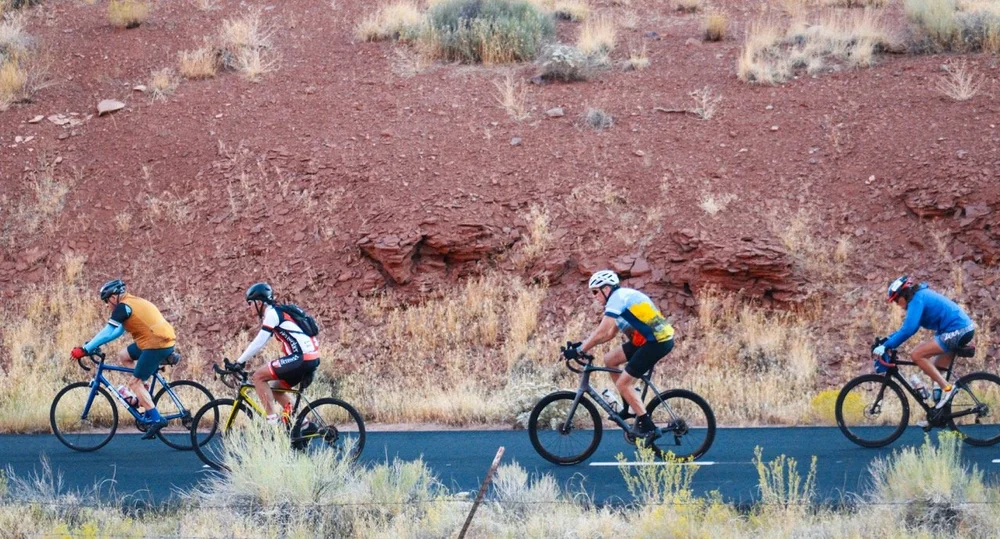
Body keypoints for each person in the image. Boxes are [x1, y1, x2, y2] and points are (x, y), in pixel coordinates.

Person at [562, 270, 675, 441]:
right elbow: (608, 334)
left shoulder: (617, 298)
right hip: (646, 340)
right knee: (610, 360)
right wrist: (582, 344)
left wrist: (580, 350)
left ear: (606, 289)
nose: (594, 296)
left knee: (623, 383)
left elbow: (601, 331)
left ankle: (649, 427)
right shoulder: (620, 300)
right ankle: (630, 405)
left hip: (657, 342)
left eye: (595, 291)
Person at [70, 279, 175, 439]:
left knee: (134, 383)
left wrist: (85, 349)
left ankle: (155, 418)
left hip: (155, 344)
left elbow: (107, 331)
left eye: (106, 301)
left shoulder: (122, 307)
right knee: (124, 355)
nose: (107, 305)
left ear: (113, 297)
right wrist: (91, 345)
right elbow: (116, 332)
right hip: (158, 340)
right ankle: (143, 393)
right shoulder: (130, 303)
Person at [873, 275, 975, 410]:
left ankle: (948, 389)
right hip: (959, 330)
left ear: (903, 294)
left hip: (958, 330)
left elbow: (910, 329)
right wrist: (887, 341)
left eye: (896, 300)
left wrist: (887, 346)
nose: (897, 304)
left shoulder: (917, 300)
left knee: (917, 355)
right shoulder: (918, 297)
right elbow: (905, 328)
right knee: (935, 369)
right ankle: (939, 411)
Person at [233, 282, 321, 425]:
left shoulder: (272, 314)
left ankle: (272, 423)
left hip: (301, 357)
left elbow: (259, 341)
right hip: (310, 357)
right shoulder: (278, 313)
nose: (249, 307)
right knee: (276, 389)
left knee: (258, 377)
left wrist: (239, 361)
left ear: (259, 302)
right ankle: (303, 424)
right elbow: (264, 341)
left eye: (250, 303)